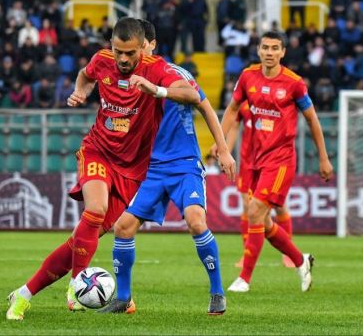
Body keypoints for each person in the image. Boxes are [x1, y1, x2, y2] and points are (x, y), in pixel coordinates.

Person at [6, 17, 201, 320]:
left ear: (142, 49)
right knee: (94, 210)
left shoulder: (156, 69)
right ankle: (75, 285)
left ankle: (23, 294)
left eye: (130, 53)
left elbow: (192, 95)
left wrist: (157, 90)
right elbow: (85, 76)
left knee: (83, 240)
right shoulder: (102, 60)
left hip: (132, 170)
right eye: (118, 51)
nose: (123, 59)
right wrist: (81, 91)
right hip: (97, 150)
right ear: (111, 45)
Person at [100, 19, 236, 315]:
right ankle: (123, 299)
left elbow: (204, 105)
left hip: (183, 164)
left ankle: (217, 292)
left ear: (150, 46)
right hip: (148, 168)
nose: (133, 57)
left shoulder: (173, 74)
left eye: (140, 49)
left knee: (195, 221)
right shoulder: (124, 78)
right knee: (122, 227)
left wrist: (223, 149)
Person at [216, 31, 333, 293]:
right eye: (265, 47)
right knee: (264, 222)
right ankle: (300, 259)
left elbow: (312, 119)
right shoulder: (248, 77)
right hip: (254, 159)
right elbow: (233, 110)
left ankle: (244, 278)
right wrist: (221, 143)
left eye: (275, 48)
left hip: (280, 160)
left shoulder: (294, 83)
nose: (269, 52)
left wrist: (324, 159)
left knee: (256, 211)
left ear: (283, 52)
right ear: (258, 50)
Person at [224, 100, 296, 269]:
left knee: (280, 206)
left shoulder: (271, 99)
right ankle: (246, 254)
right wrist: (226, 149)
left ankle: (288, 254)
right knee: (247, 207)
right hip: (248, 162)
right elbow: (234, 126)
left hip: (271, 162)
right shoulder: (242, 100)